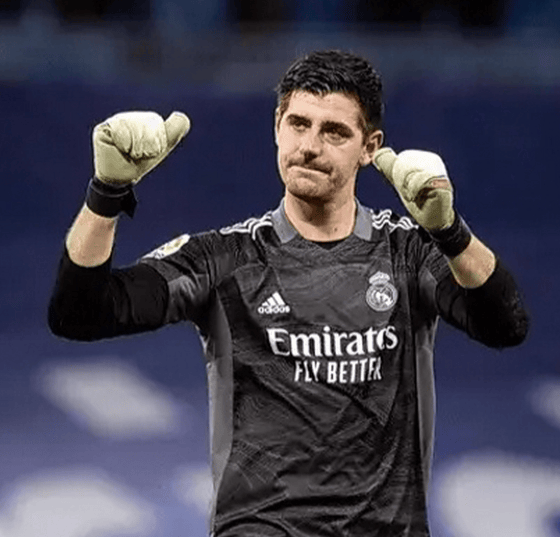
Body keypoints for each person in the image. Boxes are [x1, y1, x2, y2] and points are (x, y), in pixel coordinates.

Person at [48, 49, 529, 537]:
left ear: (369, 147)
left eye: (334, 131)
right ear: (277, 126)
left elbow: (506, 324)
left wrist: (449, 232)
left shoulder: (410, 253)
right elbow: (78, 314)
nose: (310, 146)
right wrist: (106, 193)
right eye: (298, 124)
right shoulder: (225, 259)